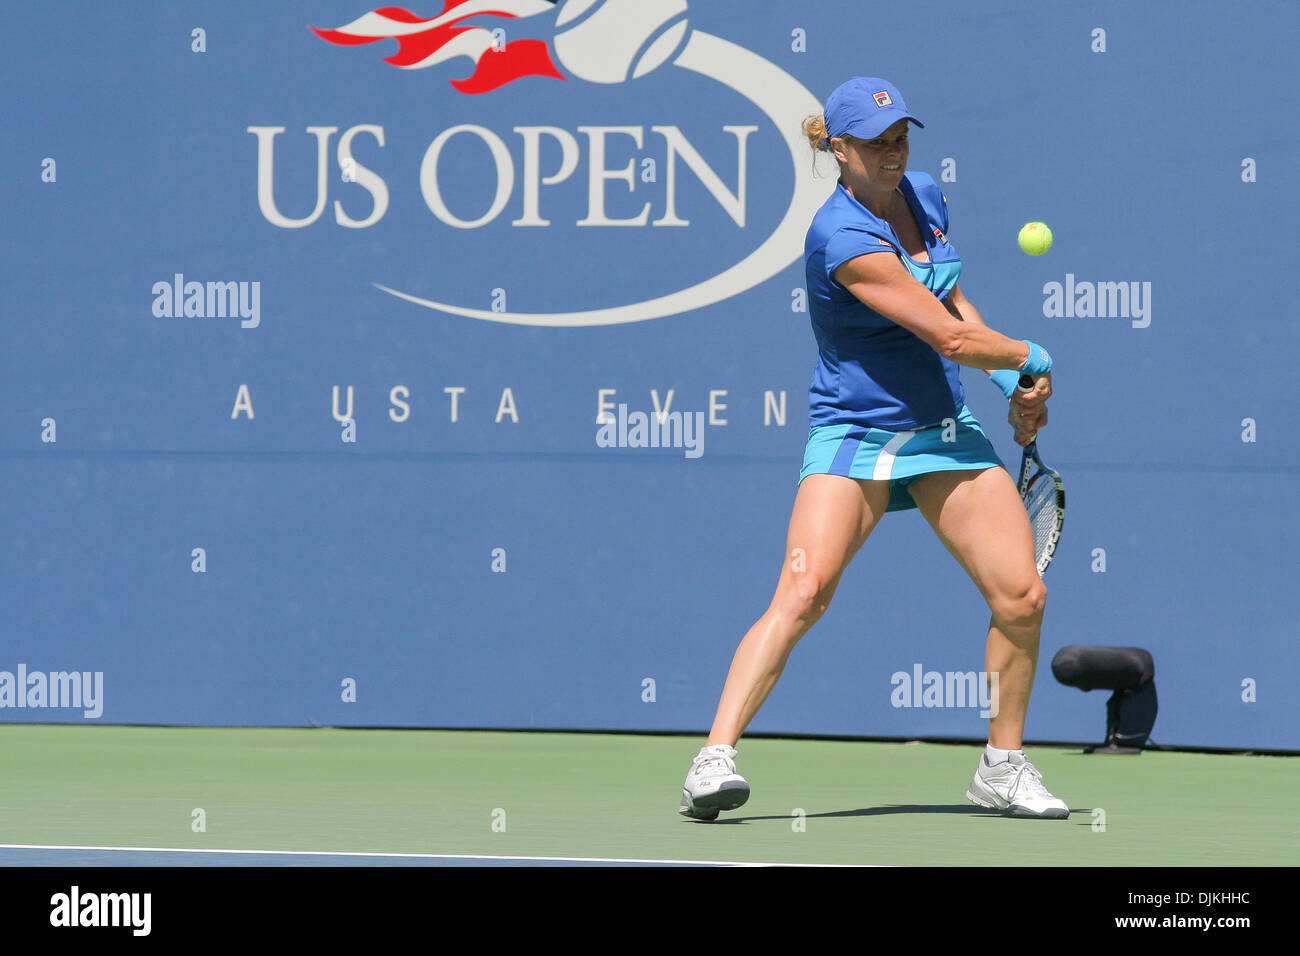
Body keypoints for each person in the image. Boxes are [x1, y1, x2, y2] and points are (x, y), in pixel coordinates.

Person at [678, 77, 1067, 821]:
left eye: (901, 138)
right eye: (876, 144)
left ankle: (1002, 766)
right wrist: (1032, 356)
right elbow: (948, 337)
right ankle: (713, 758)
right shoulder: (842, 237)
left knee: (1022, 596)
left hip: (942, 429)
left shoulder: (924, 194)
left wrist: (1009, 382)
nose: (893, 154)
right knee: (803, 591)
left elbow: (953, 302)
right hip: (855, 432)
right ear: (839, 149)